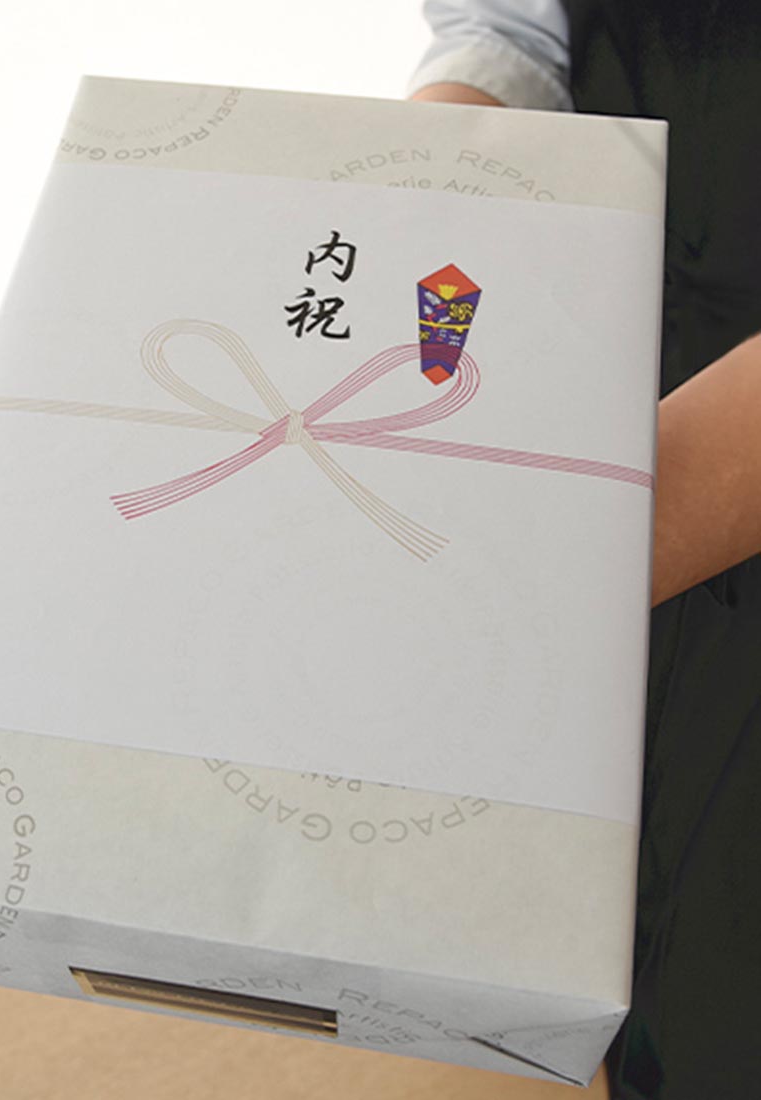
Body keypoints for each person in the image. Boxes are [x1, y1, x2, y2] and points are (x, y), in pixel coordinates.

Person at [406, 4, 761, 1097]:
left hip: (677, 477)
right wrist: (409, 210)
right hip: (644, 396)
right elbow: (510, 38)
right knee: (654, 942)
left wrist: (561, 564)